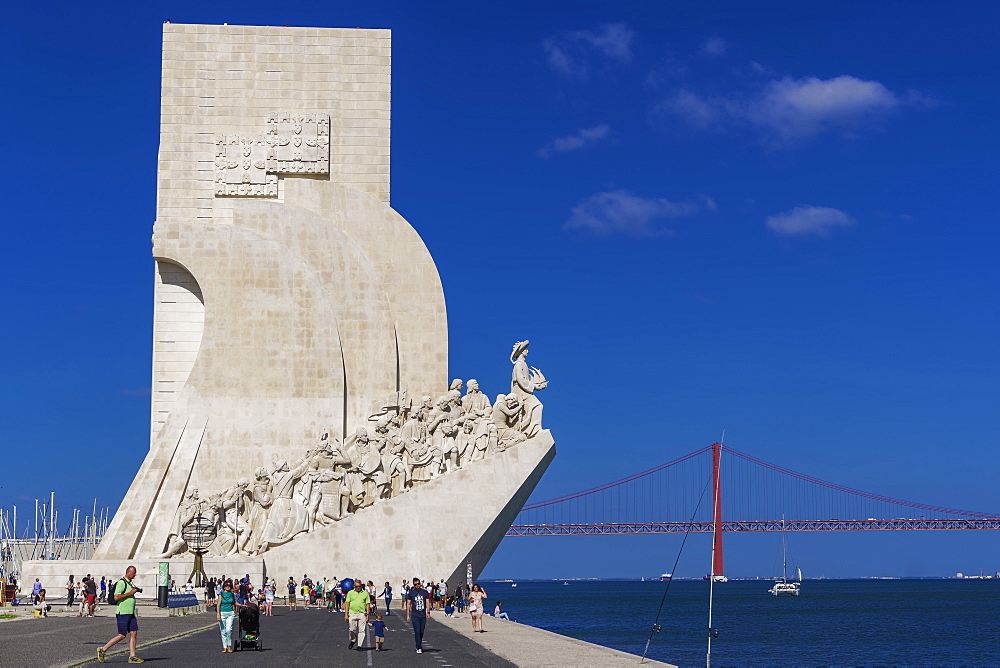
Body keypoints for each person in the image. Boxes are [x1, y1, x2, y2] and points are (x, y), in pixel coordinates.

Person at [98, 565, 143, 663]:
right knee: (122, 635)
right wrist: (130, 594)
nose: (135, 575)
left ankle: (132, 656)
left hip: (130, 612)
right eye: (134, 572)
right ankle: (103, 650)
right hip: (123, 612)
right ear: (128, 572)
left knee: (134, 632)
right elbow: (116, 597)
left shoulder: (130, 583)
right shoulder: (122, 583)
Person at [405, 577, 431, 654]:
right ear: (413, 585)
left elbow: (427, 602)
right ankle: (418, 646)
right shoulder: (411, 593)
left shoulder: (424, 592)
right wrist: (408, 615)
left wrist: (428, 612)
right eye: (415, 584)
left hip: (422, 614)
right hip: (415, 614)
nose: (417, 585)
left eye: (418, 584)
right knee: (417, 630)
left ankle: (419, 643)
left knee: (421, 631)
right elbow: (408, 604)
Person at [344, 578, 371, 650]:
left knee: (362, 630)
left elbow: (367, 604)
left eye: (359, 586)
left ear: (361, 586)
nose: (358, 588)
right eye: (356, 586)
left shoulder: (365, 593)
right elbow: (347, 603)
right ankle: (353, 640)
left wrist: (367, 615)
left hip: (362, 613)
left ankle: (359, 645)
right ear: (354, 586)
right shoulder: (350, 593)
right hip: (352, 613)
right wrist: (346, 614)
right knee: (352, 629)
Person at [216, 580, 239, 653]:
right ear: (224, 586)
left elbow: (234, 602)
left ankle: (229, 646)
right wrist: (218, 614)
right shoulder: (221, 594)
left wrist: (243, 605)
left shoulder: (232, 594)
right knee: (223, 631)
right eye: (226, 585)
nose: (227, 587)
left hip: (230, 613)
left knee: (229, 630)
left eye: (229, 585)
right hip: (222, 613)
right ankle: (224, 647)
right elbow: (218, 605)